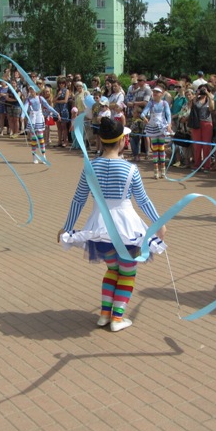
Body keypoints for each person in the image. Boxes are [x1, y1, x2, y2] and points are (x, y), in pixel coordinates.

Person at [58, 117, 167, 332]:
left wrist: (68, 227)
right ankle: (117, 318)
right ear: (122, 141)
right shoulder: (131, 169)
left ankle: (104, 314)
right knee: (127, 272)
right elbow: (143, 200)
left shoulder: (90, 167)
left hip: (99, 226)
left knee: (112, 269)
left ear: (100, 140)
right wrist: (159, 222)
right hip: (127, 226)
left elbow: (78, 199)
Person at [141, 87, 172, 179]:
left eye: (157, 92)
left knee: (161, 147)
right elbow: (143, 113)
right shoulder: (151, 103)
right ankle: (156, 171)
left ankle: (163, 169)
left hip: (161, 126)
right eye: (154, 92)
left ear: (161, 94)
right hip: (153, 126)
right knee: (155, 147)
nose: (155, 93)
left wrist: (169, 124)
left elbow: (168, 114)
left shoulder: (164, 103)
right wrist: (145, 118)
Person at [25, 85, 58, 164]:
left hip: (39, 117)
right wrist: (22, 116)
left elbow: (48, 106)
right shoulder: (28, 99)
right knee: (33, 138)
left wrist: (56, 113)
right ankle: (34, 156)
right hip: (32, 118)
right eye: (30, 90)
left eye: (33, 90)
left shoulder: (40, 98)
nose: (31, 91)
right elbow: (25, 108)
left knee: (41, 137)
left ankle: (43, 156)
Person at [191, 84, 215, 171]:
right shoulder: (196, 99)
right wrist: (197, 95)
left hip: (207, 123)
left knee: (206, 146)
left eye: (204, 90)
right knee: (197, 145)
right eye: (201, 89)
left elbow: (212, 108)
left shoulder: (210, 99)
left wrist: (207, 94)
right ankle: (197, 164)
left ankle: (207, 166)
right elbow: (191, 105)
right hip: (197, 123)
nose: (202, 91)